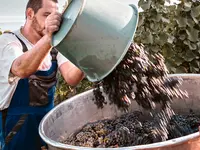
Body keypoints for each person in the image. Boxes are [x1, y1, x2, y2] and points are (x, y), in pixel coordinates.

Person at [0, 0, 85, 149]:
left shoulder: (55, 47)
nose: (52, 20)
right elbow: (21, 69)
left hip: (47, 128)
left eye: (54, 16)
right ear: (30, 14)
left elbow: (72, 78)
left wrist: (90, 56)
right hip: (14, 132)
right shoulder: (9, 42)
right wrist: (48, 37)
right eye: (46, 15)